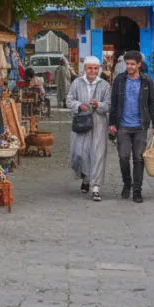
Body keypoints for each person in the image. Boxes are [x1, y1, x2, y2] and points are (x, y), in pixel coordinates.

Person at [107, 51, 154, 204]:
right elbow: (114, 102)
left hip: (141, 125)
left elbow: (152, 103)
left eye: (132, 64)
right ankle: (127, 182)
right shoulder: (119, 80)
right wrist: (112, 123)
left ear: (139, 65)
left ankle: (137, 190)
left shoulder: (147, 81)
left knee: (138, 158)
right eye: (127, 64)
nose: (129, 67)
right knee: (123, 157)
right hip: (123, 125)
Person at [66, 57, 111, 201]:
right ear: (85, 68)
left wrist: (99, 105)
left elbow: (109, 104)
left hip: (99, 124)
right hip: (81, 124)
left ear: (99, 69)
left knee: (97, 154)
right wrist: (80, 105)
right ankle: (85, 178)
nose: (93, 71)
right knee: (80, 153)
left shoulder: (105, 85)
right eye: (90, 68)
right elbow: (69, 100)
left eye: (96, 68)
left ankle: (96, 187)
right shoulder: (77, 83)